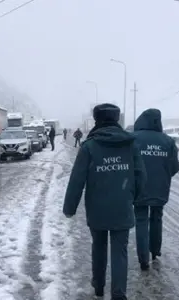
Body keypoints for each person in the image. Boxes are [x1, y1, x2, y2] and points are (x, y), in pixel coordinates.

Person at [63, 103, 146, 300]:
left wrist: (70, 208)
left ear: (97, 120)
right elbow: (140, 175)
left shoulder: (89, 146)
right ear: (117, 119)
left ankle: (99, 286)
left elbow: (77, 180)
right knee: (120, 252)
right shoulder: (130, 144)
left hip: (97, 208)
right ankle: (119, 294)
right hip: (122, 206)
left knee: (98, 247)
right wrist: (133, 198)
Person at [132, 108, 179, 270]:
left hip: (139, 187)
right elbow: (174, 167)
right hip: (160, 187)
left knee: (141, 220)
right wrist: (162, 177)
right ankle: (155, 251)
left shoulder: (134, 139)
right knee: (157, 217)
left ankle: (143, 258)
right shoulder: (168, 141)